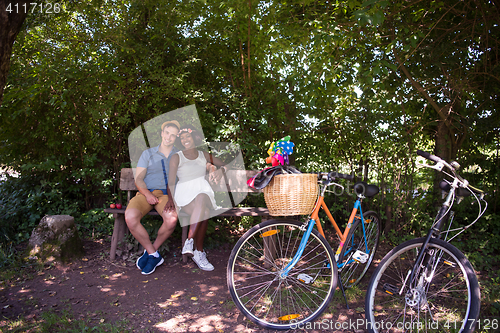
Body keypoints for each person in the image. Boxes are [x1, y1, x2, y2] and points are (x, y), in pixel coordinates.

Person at [167, 126, 227, 271]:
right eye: (182, 138)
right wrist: (170, 200)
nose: (185, 140)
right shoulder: (176, 157)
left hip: (202, 191)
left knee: (201, 196)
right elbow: (170, 181)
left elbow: (224, 165)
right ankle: (199, 253)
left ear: (194, 137)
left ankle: (189, 241)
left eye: (187, 136)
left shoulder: (204, 155)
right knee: (204, 213)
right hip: (184, 194)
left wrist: (220, 171)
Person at [125, 120, 180, 275]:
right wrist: (147, 194)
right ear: (162, 133)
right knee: (130, 217)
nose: (169, 137)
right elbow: (139, 179)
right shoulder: (148, 154)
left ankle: (151, 252)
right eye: (167, 133)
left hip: (166, 195)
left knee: (172, 219)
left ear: (175, 138)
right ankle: (153, 254)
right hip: (145, 193)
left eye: (173, 135)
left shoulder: (178, 155)